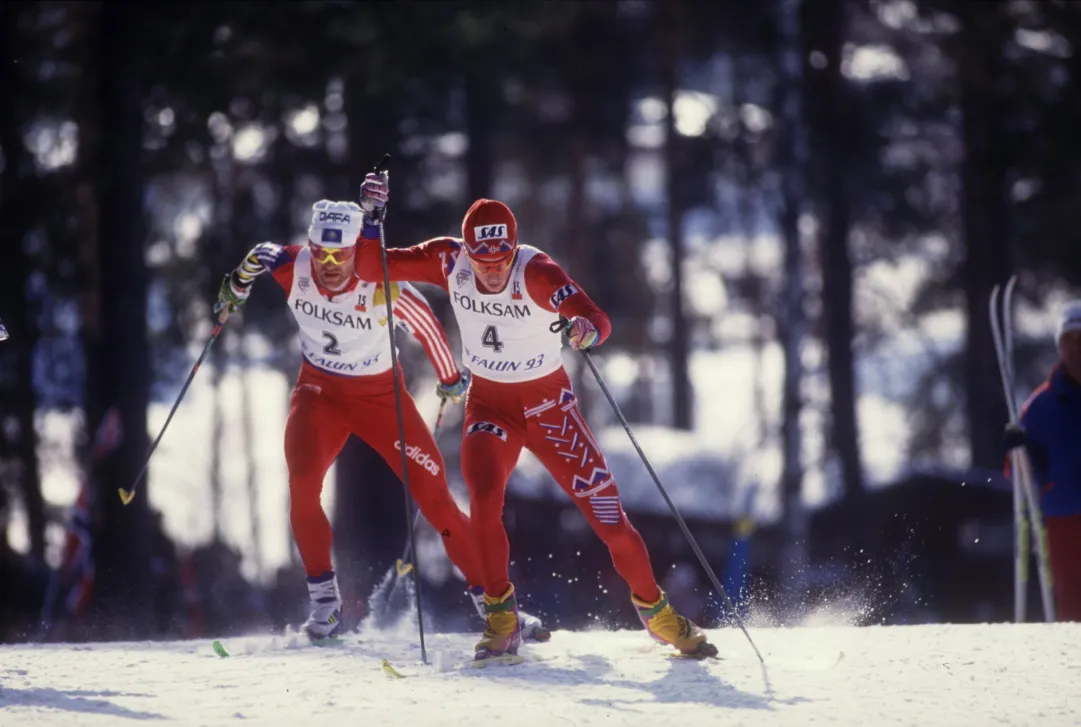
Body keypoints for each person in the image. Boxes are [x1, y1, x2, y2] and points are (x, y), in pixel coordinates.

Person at [353, 175, 717, 660]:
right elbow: (367, 268)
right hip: (491, 407)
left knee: (609, 519)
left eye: (500, 260)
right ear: (467, 251)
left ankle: (658, 615)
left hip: (550, 408)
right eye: (482, 262)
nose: (491, 272)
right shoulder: (448, 259)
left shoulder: (537, 270)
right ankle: (502, 619)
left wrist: (586, 329)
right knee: (483, 503)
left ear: (513, 248)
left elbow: (596, 318)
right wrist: (372, 220)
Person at [213, 200, 547, 641]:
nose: (330, 266)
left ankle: (499, 609)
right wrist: (234, 286)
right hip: (320, 393)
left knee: (437, 501)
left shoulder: (380, 284)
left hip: (381, 399)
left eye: (342, 255)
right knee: (301, 487)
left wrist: (449, 378)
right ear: (310, 247)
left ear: (358, 250)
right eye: (321, 254)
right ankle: (325, 606)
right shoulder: (291, 266)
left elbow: (426, 323)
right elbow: (259, 255)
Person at [1005, 300, 1081, 622]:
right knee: (1073, 610)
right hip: (1065, 519)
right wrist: (1016, 451)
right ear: (1060, 346)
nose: (1077, 349)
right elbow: (1020, 476)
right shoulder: (1040, 407)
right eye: (1069, 340)